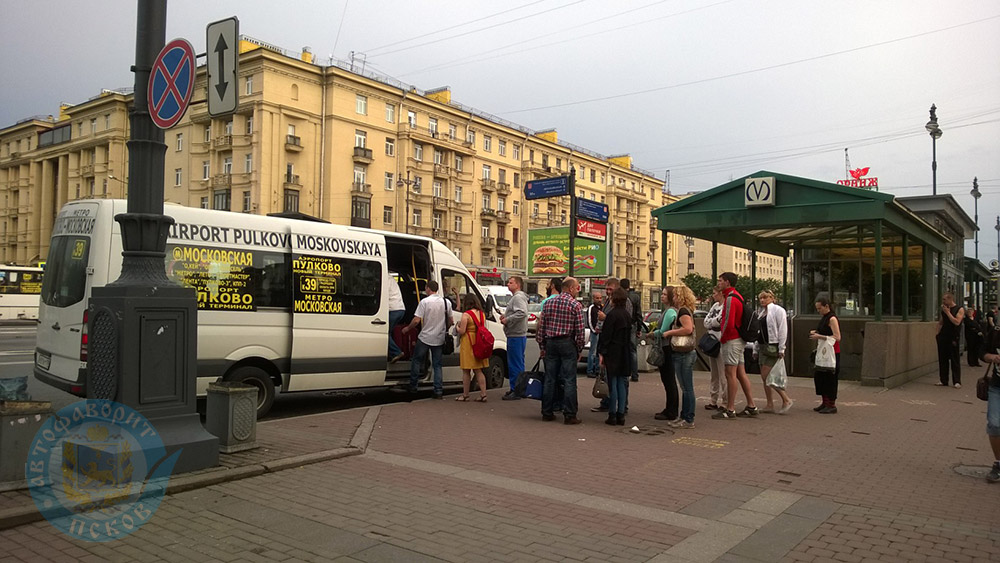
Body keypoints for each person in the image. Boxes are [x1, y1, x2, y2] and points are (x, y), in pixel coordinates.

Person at [536, 276, 585, 424]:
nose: (577, 291)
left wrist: (542, 346)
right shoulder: (575, 305)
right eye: (576, 288)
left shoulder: (548, 303)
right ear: (570, 288)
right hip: (567, 343)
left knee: (550, 379)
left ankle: (547, 412)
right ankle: (569, 414)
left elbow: (541, 328)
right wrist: (579, 349)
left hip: (551, 343)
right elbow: (580, 331)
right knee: (569, 379)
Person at [712, 272, 759, 419]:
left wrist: (723, 338)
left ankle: (730, 409)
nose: (718, 283)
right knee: (740, 373)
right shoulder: (737, 296)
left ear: (727, 282)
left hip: (731, 340)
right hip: (739, 340)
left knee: (730, 374)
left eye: (720, 281)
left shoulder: (730, 299)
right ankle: (751, 405)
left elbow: (728, 322)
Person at [402, 280, 453, 399]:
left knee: (416, 361)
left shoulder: (424, 302)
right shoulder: (446, 302)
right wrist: (443, 328)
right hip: (439, 338)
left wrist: (407, 329)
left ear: (428, 288)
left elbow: (416, 320)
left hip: (425, 337)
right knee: (437, 365)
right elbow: (450, 321)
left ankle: (413, 387)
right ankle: (438, 391)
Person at [592, 277, 633, 413]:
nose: (608, 292)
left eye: (610, 289)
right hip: (623, 349)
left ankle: (615, 411)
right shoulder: (612, 306)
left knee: (616, 382)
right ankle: (616, 408)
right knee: (618, 381)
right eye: (607, 289)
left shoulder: (618, 311)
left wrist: (602, 352)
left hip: (614, 349)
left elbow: (609, 333)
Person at [662, 285, 697, 429]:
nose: (674, 298)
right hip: (685, 353)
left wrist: (670, 332)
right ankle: (684, 416)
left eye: (676, 296)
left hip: (684, 353)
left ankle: (688, 418)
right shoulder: (687, 310)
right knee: (685, 386)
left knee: (687, 387)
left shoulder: (683, 311)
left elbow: (688, 329)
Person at [754, 290, 792, 414]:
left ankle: (786, 399)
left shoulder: (778, 310)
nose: (762, 300)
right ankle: (769, 404)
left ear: (772, 298)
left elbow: (782, 329)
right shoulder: (761, 313)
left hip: (773, 346)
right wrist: (755, 348)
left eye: (765, 297)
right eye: (760, 298)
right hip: (762, 346)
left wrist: (782, 348)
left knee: (767, 375)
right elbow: (758, 331)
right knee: (764, 377)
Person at [598, 288, 631, 426]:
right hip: (625, 351)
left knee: (613, 384)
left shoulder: (611, 315)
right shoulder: (627, 315)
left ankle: (612, 414)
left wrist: (602, 353)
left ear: (614, 300)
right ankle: (621, 414)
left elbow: (606, 336)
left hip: (613, 352)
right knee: (622, 383)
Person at [809, 295, 841, 413]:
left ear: (826, 306)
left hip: (832, 352)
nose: (818, 311)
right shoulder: (824, 318)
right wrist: (816, 333)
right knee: (820, 376)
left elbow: (837, 337)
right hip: (823, 352)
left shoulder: (832, 319)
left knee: (830, 378)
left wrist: (820, 336)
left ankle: (831, 404)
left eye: (820, 308)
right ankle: (824, 401)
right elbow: (825, 332)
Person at [651, 286, 678, 422]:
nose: (662, 296)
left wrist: (652, 333)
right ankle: (669, 408)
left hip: (667, 348)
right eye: (661, 294)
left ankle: (671, 410)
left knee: (669, 380)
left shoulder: (670, 312)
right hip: (667, 347)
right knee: (668, 380)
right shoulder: (667, 311)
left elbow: (663, 331)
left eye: (664, 294)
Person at [455, 293, 489, 402]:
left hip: (468, 342)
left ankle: (465, 395)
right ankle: (483, 394)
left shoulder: (466, 315)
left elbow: (462, 331)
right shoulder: (482, 314)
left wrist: (457, 327)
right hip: (479, 342)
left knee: (466, 371)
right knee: (478, 370)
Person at [501, 276, 528, 400]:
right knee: (517, 363)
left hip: (515, 335)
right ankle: (519, 388)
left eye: (511, 282)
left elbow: (522, 312)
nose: (508, 284)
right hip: (517, 334)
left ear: (517, 285)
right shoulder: (518, 297)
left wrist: (507, 319)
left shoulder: (517, 297)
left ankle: (516, 390)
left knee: (514, 364)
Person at [980, 323, 1000, 483]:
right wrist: (992, 357)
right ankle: (998, 463)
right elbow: (983, 352)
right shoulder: (996, 331)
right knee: (994, 424)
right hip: (997, 387)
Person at [703, 286, 728, 411]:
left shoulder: (725, 307)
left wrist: (713, 322)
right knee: (714, 373)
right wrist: (714, 321)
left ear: (721, 294)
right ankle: (713, 400)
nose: (713, 296)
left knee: (723, 373)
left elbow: (720, 322)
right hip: (711, 340)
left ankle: (725, 401)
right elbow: (706, 321)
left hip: (720, 341)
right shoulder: (714, 306)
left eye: (714, 293)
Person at [935, 292, 964, 388]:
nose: (943, 301)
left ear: (950, 299)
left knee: (954, 358)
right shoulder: (943, 310)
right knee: (942, 358)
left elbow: (957, 322)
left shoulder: (959, 309)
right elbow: (941, 322)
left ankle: (956, 380)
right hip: (943, 336)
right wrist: (937, 333)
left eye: (944, 299)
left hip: (953, 336)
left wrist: (948, 312)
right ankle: (943, 379)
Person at [621, 278, 643, 382]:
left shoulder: (620, 296)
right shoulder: (635, 297)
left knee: (622, 349)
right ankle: (635, 374)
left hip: (621, 326)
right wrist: (639, 328)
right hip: (632, 325)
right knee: (633, 350)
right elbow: (639, 314)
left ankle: (625, 372)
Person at [387, 274, 406, 363]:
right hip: (400, 309)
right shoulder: (391, 278)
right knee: (389, 332)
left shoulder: (385, 278)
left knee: (384, 333)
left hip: (393, 309)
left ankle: (396, 352)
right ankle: (390, 354)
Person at [585, 291, 604, 378]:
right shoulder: (591, 308)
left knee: (598, 352)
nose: (599, 300)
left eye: (600, 298)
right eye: (597, 298)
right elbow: (589, 321)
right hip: (594, 333)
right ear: (593, 298)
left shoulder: (602, 308)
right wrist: (593, 330)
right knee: (592, 352)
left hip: (601, 333)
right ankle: (589, 370)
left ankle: (597, 370)